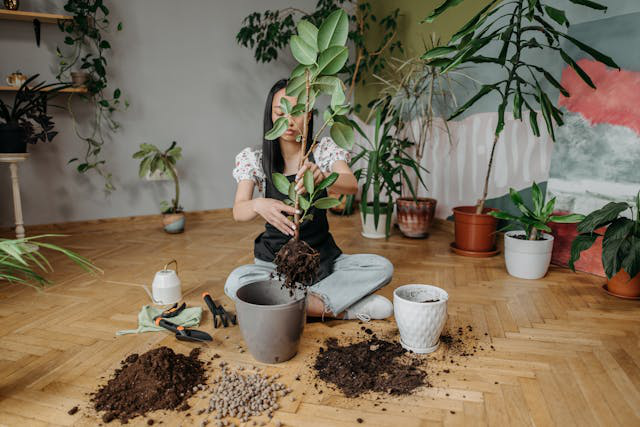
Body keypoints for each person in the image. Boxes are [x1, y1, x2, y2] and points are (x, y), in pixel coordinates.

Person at [225, 79, 393, 321]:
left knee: (382, 267)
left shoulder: (323, 150)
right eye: (280, 113)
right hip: (272, 265)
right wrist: (257, 204)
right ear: (270, 117)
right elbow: (238, 210)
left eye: (297, 113)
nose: (289, 121)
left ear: (311, 115)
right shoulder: (256, 158)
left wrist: (324, 177)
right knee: (235, 282)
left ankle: (287, 303)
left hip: (322, 260)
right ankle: (338, 309)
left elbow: (351, 184)